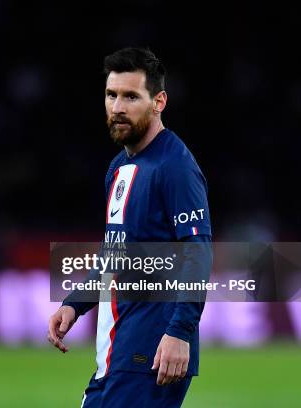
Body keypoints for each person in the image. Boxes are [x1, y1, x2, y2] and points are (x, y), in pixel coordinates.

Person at [47, 47, 213, 407]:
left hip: (152, 353)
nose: (117, 107)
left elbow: (197, 253)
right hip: (117, 352)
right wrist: (75, 304)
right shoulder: (119, 168)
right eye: (111, 95)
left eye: (131, 96)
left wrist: (179, 333)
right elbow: (115, 255)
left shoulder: (175, 168)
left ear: (159, 102)